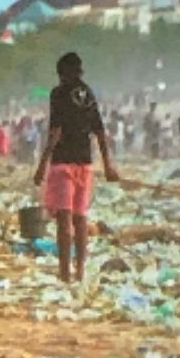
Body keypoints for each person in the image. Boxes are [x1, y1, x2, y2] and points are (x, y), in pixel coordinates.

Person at [34, 52, 119, 284]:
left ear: (63, 72)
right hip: (85, 163)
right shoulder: (89, 94)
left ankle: (64, 275)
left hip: (64, 162)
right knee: (80, 218)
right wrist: (109, 166)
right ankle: (80, 271)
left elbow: (55, 131)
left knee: (64, 219)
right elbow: (99, 131)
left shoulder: (59, 93)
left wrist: (42, 164)